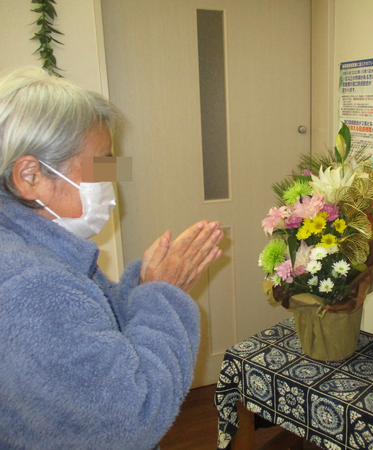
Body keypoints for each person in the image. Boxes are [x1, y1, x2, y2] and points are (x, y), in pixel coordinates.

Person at [0, 67, 223, 449]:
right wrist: (162, 296)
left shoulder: (39, 250)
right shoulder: (31, 288)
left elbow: (95, 329)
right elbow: (133, 417)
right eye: (100, 164)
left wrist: (144, 284)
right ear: (30, 175)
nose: (110, 178)